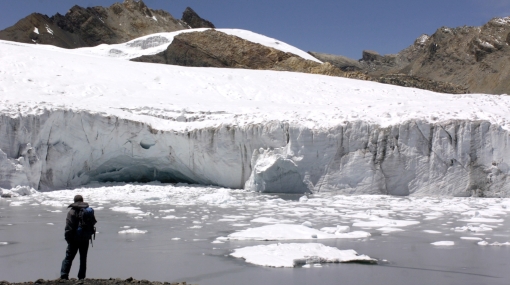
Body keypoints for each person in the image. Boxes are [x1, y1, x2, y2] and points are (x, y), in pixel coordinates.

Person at [60, 195, 96, 280]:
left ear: (74, 201)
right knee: (83, 258)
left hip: (74, 239)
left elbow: (69, 226)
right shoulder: (88, 211)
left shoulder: (72, 211)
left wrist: (68, 239)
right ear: (82, 200)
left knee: (69, 257)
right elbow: (93, 222)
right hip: (85, 238)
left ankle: (64, 276)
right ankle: (81, 277)